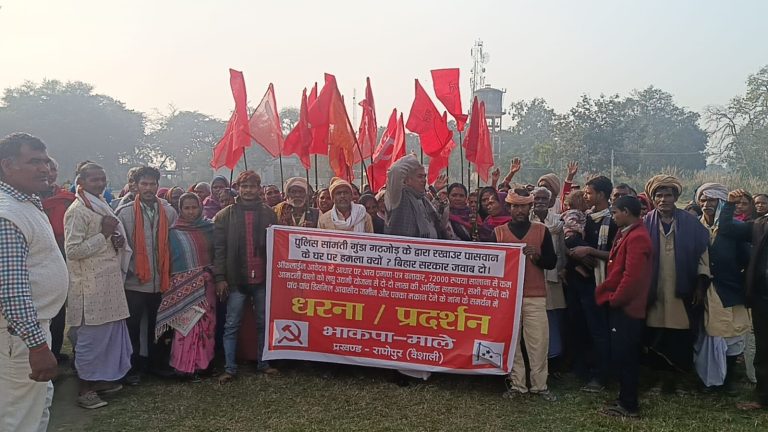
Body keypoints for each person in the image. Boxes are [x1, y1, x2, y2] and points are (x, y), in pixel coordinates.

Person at [0, 133, 69, 431]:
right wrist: (36, 346)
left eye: (45, 161)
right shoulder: (6, 214)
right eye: (34, 162)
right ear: (7, 166)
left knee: (36, 409)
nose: (44, 169)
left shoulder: (25, 203)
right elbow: (11, 290)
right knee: (18, 419)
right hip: (18, 336)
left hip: (30, 330)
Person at [65, 162, 133, 409]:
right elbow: (72, 251)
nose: (100, 183)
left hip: (108, 283)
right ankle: (85, 390)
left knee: (109, 337)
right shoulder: (77, 211)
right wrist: (103, 234)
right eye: (94, 179)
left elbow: (102, 241)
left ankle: (101, 380)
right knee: (91, 341)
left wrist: (114, 240)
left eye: (102, 179)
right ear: (80, 182)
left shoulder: (100, 204)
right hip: (89, 287)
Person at [643, 175, 710, 394]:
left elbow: (703, 257)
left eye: (668, 195)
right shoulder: (645, 223)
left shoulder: (691, 223)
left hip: (683, 289)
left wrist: (700, 286)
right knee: (656, 334)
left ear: (675, 197)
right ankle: (658, 380)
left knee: (681, 336)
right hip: (654, 291)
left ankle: (681, 380)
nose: (664, 200)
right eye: (659, 195)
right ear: (653, 198)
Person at [214, 171, 278, 383]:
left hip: (262, 277)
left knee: (263, 323)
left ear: (259, 189)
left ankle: (263, 363)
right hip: (235, 278)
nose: (248, 191)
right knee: (232, 324)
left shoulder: (269, 214)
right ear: (238, 188)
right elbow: (219, 249)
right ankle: (230, 367)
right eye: (245, 186)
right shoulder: (224, 215)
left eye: (252, 186)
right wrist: (220, 277)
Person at [116, 166, 178, 384]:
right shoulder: (124, 214)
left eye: (152, 184)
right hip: (134, 282)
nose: (149, 188)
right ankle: (132, 368)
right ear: (135, 186)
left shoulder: (169, 212)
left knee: (160, 325)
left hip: (162, 281)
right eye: (144, 184)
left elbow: (174, 244)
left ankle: (157, 364)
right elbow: (120, 248)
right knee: (132, 327)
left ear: (158, 186)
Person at [497, 188, 557, 401]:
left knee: (538, 342)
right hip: (508, 297)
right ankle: (517, 384)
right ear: (509, 207)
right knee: (512, 342)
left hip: (535, 294)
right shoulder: (499, 232)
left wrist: (537, 257)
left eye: (523, 206)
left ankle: (540, 386)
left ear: (530, 207)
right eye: (515, 206)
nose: (520, 210)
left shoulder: (541, 231)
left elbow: (551, 262)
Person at [595, 196, 653, 418]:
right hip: (623, 303)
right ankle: (624, 397)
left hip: (628, 306)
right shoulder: (627, 233)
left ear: (626, 212)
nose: (613, 216)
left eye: (615, 212)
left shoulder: (637, 237)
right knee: (622, 354)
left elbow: (632, 277)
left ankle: (629, 404)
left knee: (626, 355)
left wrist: (615, 299)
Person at [694, 183, 750, 394]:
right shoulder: (694, 227)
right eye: (703, 200)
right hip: (701, 288)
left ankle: (728, 380)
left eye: (712, 200)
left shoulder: (734, 228)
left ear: (722, 203)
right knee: (707, 335)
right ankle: (709, 379)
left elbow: (746, 258)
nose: (707, 204)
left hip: (729, 288)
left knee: (732, 335)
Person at [156, 193, 216, 382]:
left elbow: (217, 255)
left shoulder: (210, 229)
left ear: (200, 208)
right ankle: (184, 367)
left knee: (207, 325)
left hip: (207, 285)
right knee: (186, 327)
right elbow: (168, 261)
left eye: (194, 207)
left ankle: (204, 365)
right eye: (186, 208)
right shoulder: (173, 232)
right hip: (183, 287)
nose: (191, 212)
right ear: (180, 209)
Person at [718, 188, 768, 410]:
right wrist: (729, 204)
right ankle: (763, 398)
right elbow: (727, 228)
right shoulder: (760, 225)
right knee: (764, 349)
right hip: (763, 296)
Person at [567, 175, 618, 393]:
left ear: (602, 195)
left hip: (599, 283)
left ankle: (600, 375)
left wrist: (590, 252)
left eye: (589, 193)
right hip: (578, 280)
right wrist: (575, 254)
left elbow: (617, 254)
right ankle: (580, 369)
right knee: (578, 326)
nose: (585, 197)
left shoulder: (614, 220)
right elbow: (569, 242)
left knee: (598, 329)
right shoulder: (583, 218)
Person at [39, 157, 76, 363]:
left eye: (53, 169)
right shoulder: (27, 197)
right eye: (46, 168)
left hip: (62, 254)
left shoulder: (66, 199)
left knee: (59, 307)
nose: (49, 172)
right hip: (36, 256)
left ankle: (55, 351)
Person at [531, 187, 567, 374]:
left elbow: (562, 249)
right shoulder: (527, 221)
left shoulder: (558, 222)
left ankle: (554, 359)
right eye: (537, 198)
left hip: (553, 277)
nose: (540, 202)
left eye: (544, 199)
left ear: (551, 201)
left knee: (553, 318)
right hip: (532, 276)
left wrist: (563, 269)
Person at [384, 155, 449, 240]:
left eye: (424, 176)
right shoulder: (397, 197)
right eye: (419, 176)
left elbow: (438, 224)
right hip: (405, 247)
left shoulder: (423, 199)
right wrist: (413, 159)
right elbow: (395, 170)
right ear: (407, 180)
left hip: (428, 247)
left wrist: (435, 191)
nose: (424, 180)